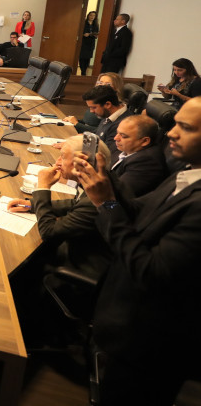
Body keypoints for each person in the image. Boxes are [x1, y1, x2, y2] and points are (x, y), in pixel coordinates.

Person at [73, 97, 201, 406]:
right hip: (127, 328)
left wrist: (106, 204)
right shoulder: (186, 174)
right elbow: (140, 210)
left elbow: (151, 272)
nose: (170, 133)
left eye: (185, 127)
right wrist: (105, 176)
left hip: (150, 344)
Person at [8, 135, 112, 278]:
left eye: (63, 157)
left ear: (84, 162)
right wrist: (32, 204)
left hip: (79, 262)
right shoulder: (105, 181)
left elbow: (48, 233)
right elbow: (76, 204)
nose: (57, 163)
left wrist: (43, 187)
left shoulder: (95, 202)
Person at [111, 115, 168, 197]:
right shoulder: (126, 148)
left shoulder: (147, 162)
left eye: (123, 136)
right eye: (117, 133)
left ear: (145, 141)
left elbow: (116, 194)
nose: (116, 138)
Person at [83, 84, 128, 163]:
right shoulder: (108, 115)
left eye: (93, 107)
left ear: (108, 104)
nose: (91, 111)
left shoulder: (123, 124)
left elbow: (105, 153)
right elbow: (96, 134)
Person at [78, 11, 99, 76]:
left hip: (91, 43)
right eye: (91, 15)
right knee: (82, 57)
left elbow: (96, 33)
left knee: (88, 57)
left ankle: (84, 70)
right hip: (83, 42)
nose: (92, 17)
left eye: (93, 16)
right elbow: (80, 31)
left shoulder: (96, 24)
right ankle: (83, 71)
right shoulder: (84, 23)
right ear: (88, 16)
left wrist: (91, 34)